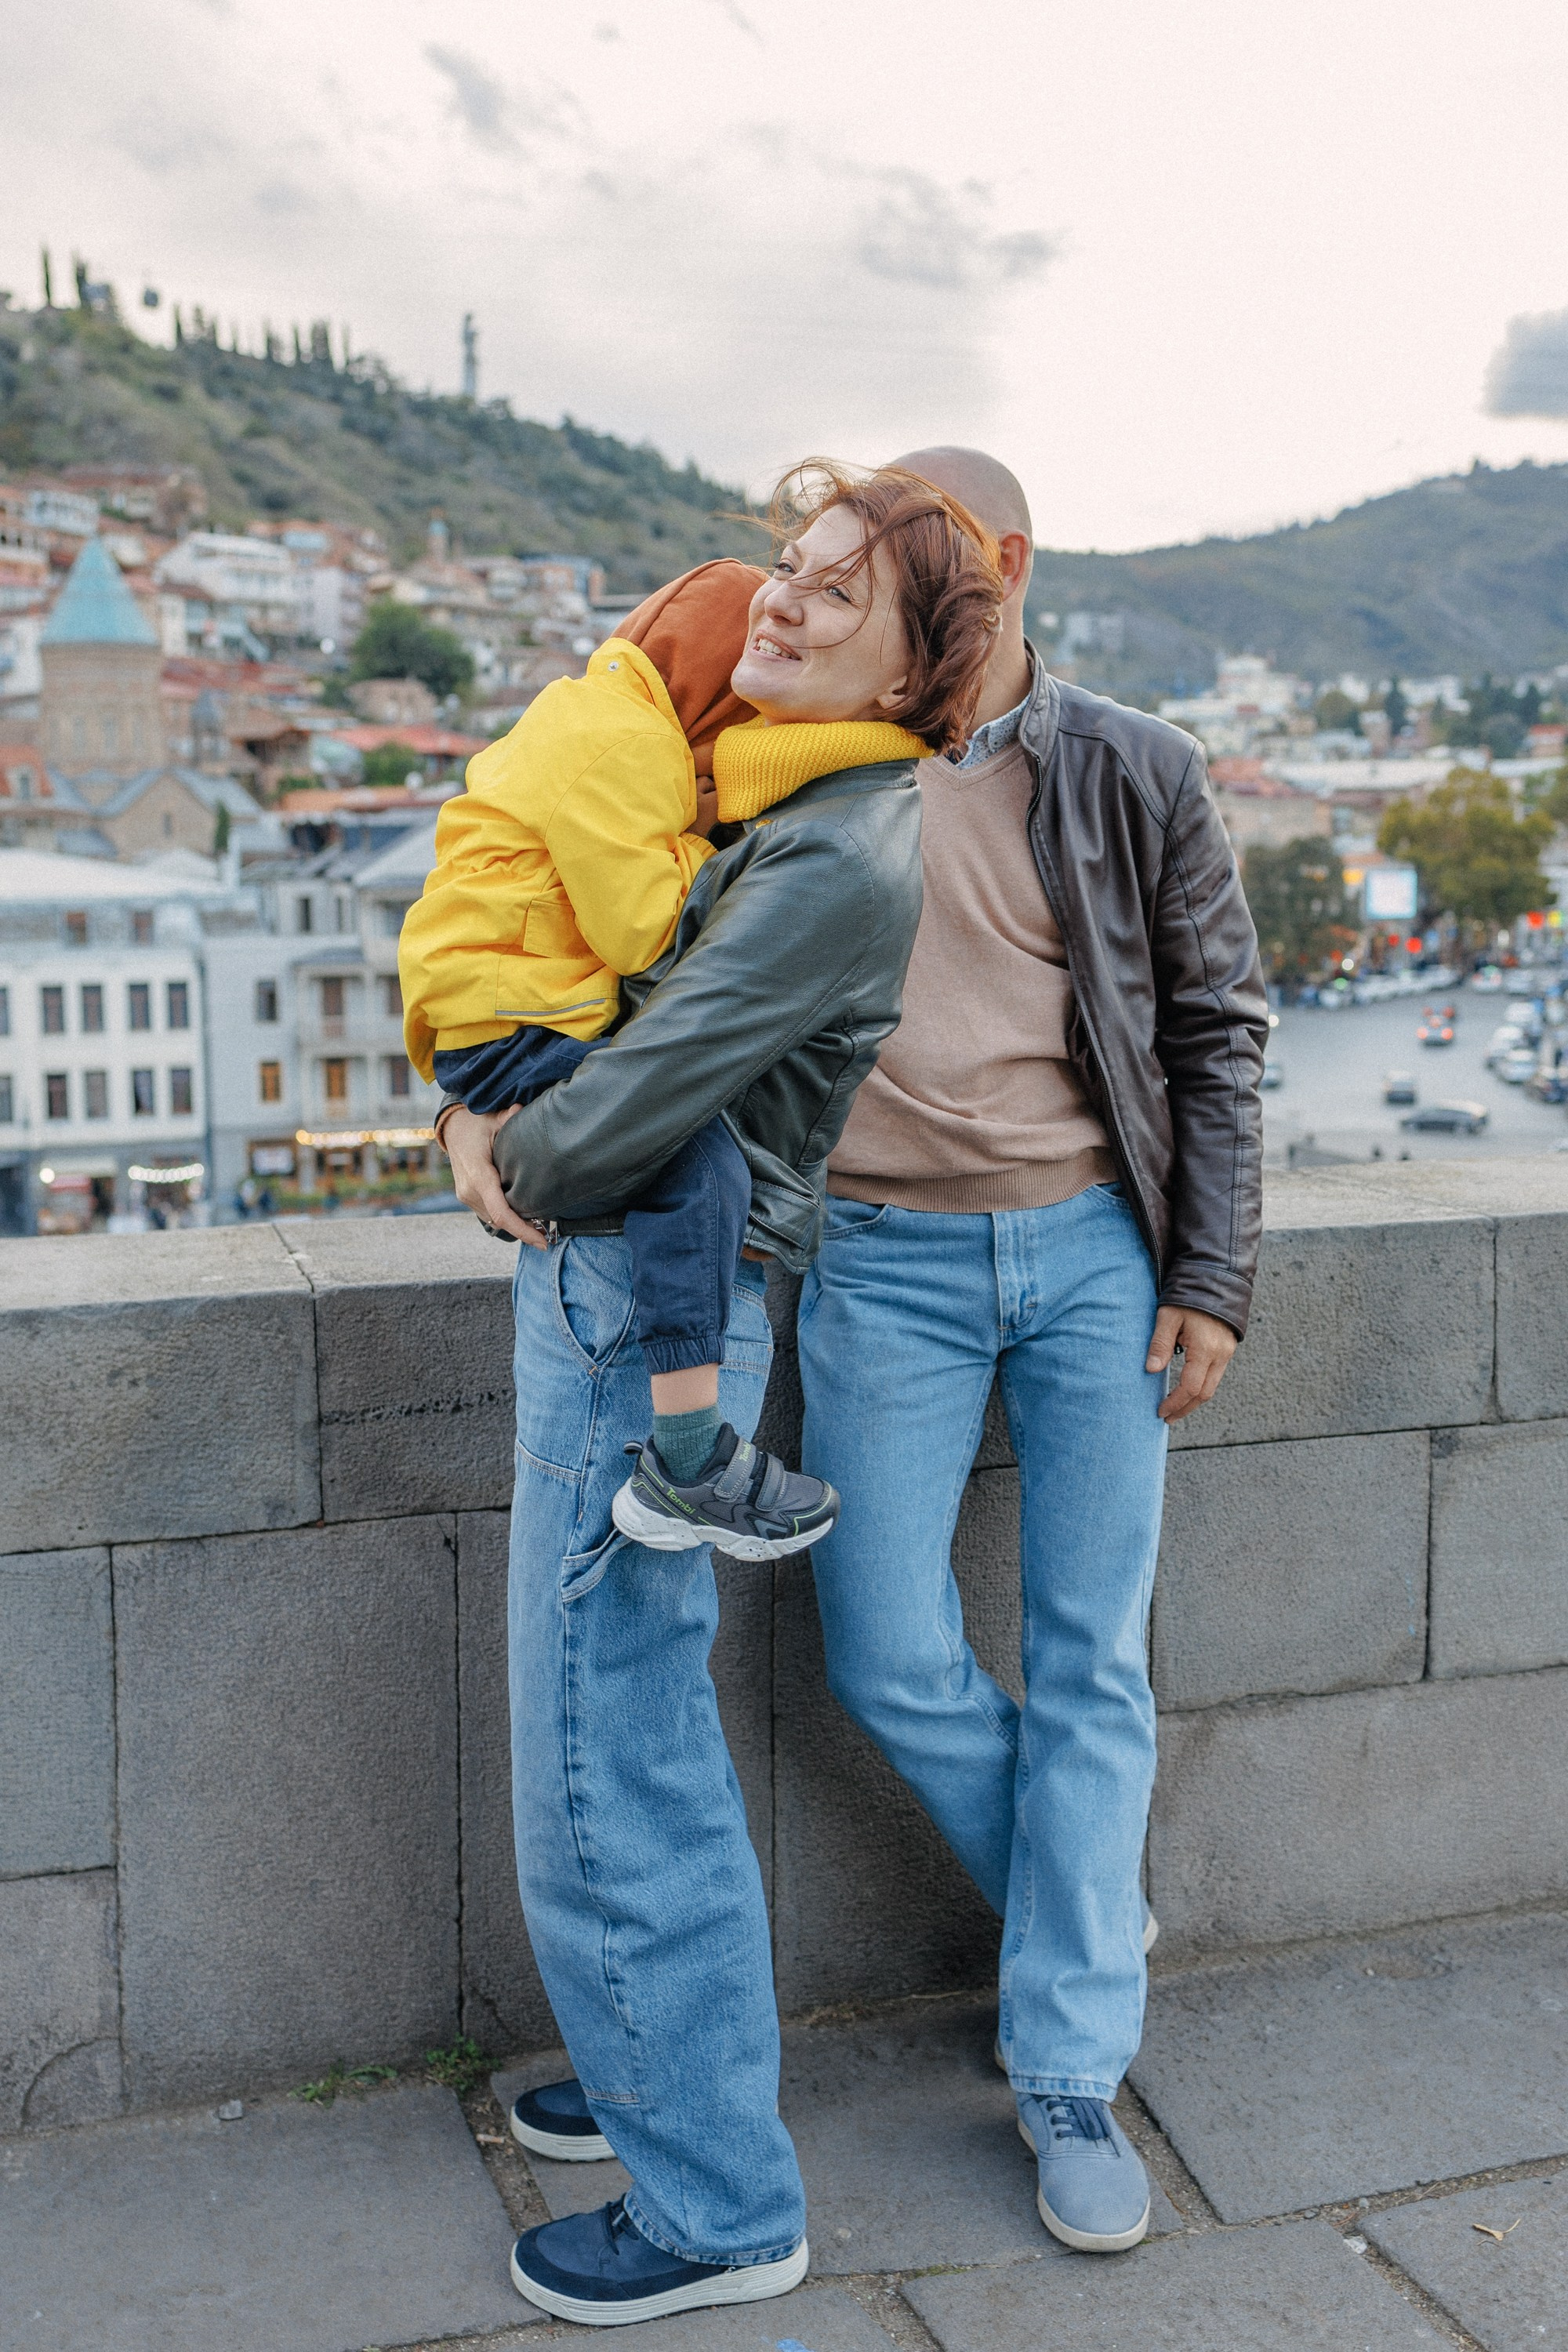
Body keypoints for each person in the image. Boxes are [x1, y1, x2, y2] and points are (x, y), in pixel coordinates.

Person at [440, 465, 1005, 2328]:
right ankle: (637, 2078)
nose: (781, 603)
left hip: (640, 1315)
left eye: (839, 598)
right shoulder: (787, 787)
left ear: (916, 673)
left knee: (607, 1752)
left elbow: (619, 1108)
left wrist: (477, 1127)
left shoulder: (831, 850)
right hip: (644, 1303)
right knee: (608, 1727)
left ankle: (713, 2202)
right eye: (789, 568)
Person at [797, 447, 1269, 2257]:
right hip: (881, 1257)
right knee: (881, 1636)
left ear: (992, 562)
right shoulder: (809, 752)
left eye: (910, 559)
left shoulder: (1129, 762)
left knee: (1090, 1661)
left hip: (1089, 1247)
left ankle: (1067, 2061)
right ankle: (1086, 1918)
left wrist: (1208, 1272)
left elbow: (1216, 1022)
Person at [401, 560, 840, 1559]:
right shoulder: (626, 749)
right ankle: (688, 1457)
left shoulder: (585, 714)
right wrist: (712, 851)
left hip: (492, 1011)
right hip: (521, 1014)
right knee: (695, 1168)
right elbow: (644, 928)